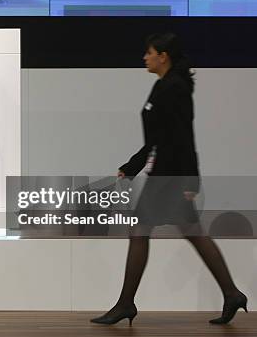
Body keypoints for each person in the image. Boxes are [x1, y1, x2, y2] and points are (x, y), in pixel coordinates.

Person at [90, 33, 248, 326]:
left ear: (163, 56)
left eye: (149, 52)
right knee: (193, 233)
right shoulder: (163, 86)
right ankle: (232, 294)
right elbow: (158, 138)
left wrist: (190, 182)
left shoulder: (173, 88)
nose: (144, 57)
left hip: (170, 176)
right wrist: (133, 166)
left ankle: (125, 304)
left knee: (139, 232)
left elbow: (183, 138)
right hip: (167, 174)